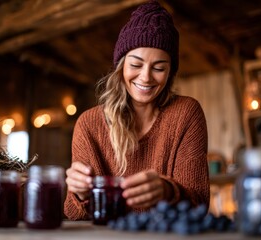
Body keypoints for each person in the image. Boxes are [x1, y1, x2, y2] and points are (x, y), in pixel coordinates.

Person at [64, 0, 209, 220]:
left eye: (159, 68)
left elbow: (199, 205)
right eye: (136, 65)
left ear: (170, 72)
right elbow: (74, 215)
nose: (146, 77)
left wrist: (168, 191)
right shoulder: (89, 124)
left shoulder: (186, 113)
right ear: (121, 66)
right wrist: (80, 193)